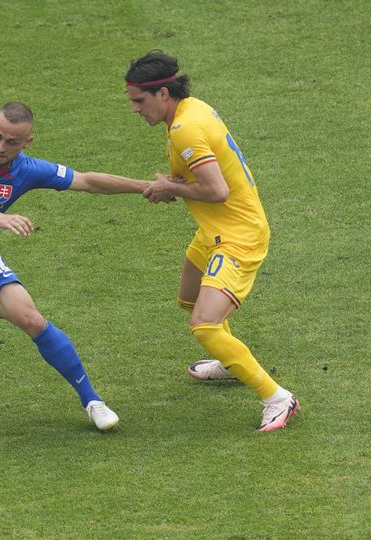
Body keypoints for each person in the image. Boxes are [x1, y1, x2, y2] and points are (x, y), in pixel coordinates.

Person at [0, 101, 149, 433]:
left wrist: (147, 186)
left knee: (31, 318)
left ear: (28, 142)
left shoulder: (28, 170)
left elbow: (88, 181)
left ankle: (93, 401)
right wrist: (1, 218)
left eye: (12, 142)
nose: (1, 147)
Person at [125, 51, 299, 432]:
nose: (136, 109)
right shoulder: (192, 110)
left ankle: (277, 398)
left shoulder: (185, 128)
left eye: (139, 101)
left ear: (163, 94)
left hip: (238, 237)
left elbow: (217, 190)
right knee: (189, 299)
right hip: (213, 233)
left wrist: (170, 187)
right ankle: (232, 362)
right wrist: (174, 186)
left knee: (203, 324)